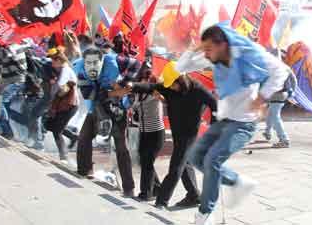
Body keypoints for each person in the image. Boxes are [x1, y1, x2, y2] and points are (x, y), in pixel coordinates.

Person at [183, 24, 289, 225]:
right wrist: (193, 50)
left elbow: (280, 71)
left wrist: (262, 97)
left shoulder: (248, 54)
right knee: (196, 157)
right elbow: (183, 67)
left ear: (222, 44)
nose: (206, 53)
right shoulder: (215, 59)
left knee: (212, 159)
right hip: (225, 119)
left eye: (209, 48)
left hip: (244, 123)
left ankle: (205, 214)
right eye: (203, 49)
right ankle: (237, 182)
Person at [114, 61, 217, 210]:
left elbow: (214, 104)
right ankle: (194, 195)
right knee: (184, 162)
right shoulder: (169, 88)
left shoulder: (198, 90)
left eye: (174, 84)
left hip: (188, 134)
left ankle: (162, 201)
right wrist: (134, 86)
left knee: (176, 166)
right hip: (177, 131)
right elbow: (151, 87)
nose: (171, 88)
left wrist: (214, 126)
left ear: (182, 80)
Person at [74, 47, 135, 196]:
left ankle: (129, 188)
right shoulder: (80, 69)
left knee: (121, 147)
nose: (92, 67)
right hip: (97, 108)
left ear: (102, 61)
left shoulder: (115, 61)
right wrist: (114, 91)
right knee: (84, 137)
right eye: (88, 63)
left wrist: (127, 83)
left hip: (118, 110)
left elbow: (135, 65)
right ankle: (84, 170)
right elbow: (89, 94)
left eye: (96, 62)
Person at [123, 63, 165, 202]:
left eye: (146, 79)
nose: (143, 82)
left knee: (147, 161)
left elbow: (163, 99)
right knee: (145, 161)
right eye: (141, 78)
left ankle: (145, 193)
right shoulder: (138, 94)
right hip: (143, 131)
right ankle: (157, 189)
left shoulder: (155, 92)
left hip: (156, 132)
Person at [44, 47, 79, 162]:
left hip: (69, 105)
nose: (51, 62)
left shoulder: (65, 70)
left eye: (53, 60)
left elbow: (60, 85)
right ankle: (74, 137)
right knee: (52, 126)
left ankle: (63, 157)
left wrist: (53, 86)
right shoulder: (61, 70)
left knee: (56, 130)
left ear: (59, 60)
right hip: (64, 104)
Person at [263, 51, 296, 149]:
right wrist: (292, 92)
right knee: (270, 114)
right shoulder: (286, 67)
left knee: (275, 116)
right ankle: (267, 132)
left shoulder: (271, 68)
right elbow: (294, 80)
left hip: (277, 95)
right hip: (281, 94)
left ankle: (284, 140)